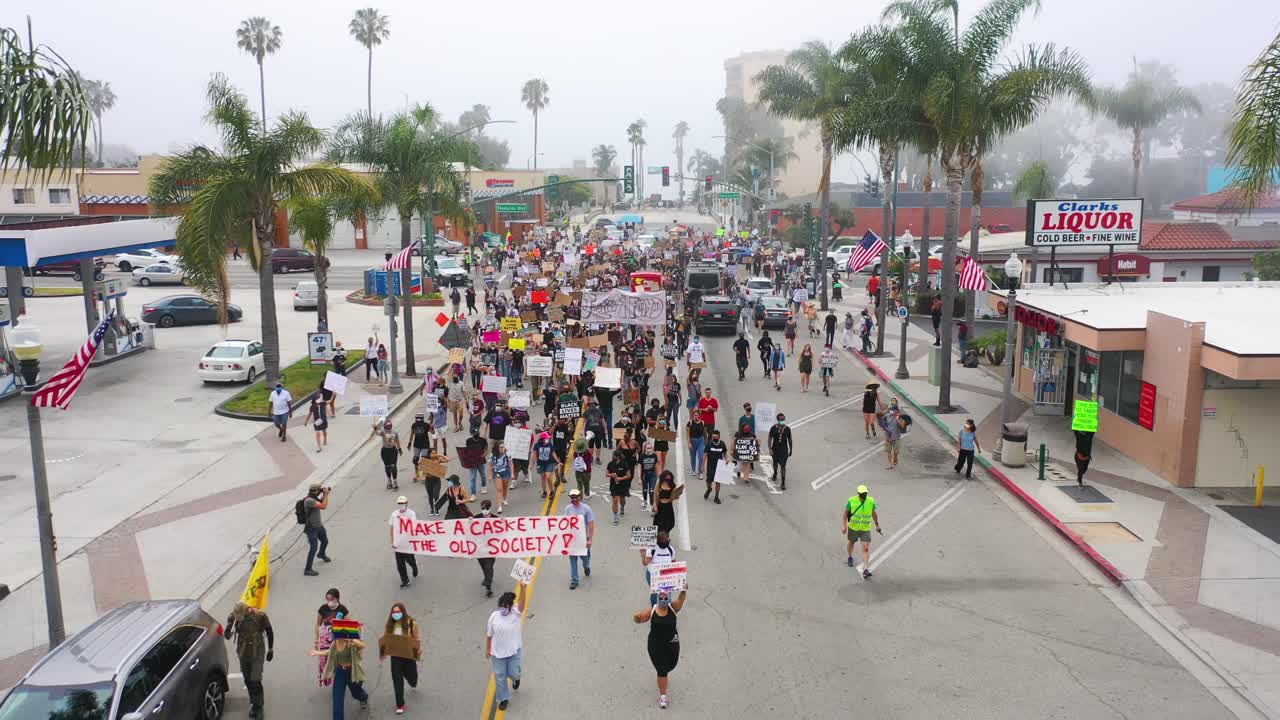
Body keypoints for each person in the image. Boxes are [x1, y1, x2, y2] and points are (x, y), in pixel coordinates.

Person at [633, 587, 687, 710]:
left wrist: (683, 590)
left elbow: (681, 599)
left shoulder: (673, 607)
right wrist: (636, 617)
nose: (663, 600)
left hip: (672, 644)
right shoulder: (652, 611)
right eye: (661, 598)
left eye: (665, 598)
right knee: (662, 669)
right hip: (656, 646)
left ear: (669, 598)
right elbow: (640, 619)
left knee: (671, 665)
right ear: (657, 598)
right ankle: (663, 695)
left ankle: (664, 676)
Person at [310, 615, 370, 717]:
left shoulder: (350, 643)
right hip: (340, 673)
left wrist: (353, 640)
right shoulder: (335, 643)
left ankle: (363, 698)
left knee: (356, 693)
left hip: (351, 672)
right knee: (337, 703)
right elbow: (330, 652)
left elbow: (363, 646)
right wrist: (317, 653)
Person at [224, 602, 273, 719]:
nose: (238, 618)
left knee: (255, 680)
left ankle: (258, 706)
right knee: (247, 679)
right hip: (243, 652)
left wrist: (270, 649)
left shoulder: (260, 616)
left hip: (257, 652)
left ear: (247, 610)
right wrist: (229, 627)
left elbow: (269, 631)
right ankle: (254, 702)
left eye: (239, 616)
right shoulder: (234, 617)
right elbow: (227, 635)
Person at [378, 603, 421, 715]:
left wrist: (418, 652)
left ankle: (412, 681)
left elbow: (416, 639)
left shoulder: (411, 623)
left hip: (408, 656)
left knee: (412, 677)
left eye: (398, 612)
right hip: (395, 657)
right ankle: (400, 704)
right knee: (397, 680)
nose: (396, 614)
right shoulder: (389, 625)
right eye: (394, 612)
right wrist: (383, 653)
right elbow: (385, 639)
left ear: (403, 612)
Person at [486, 590, 524, 712]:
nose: (503, 608)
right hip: (498, 653)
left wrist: (523, 589)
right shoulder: (494, 617)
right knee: (500, 676)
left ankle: (516, 679)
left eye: (506, 606)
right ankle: (503, 699)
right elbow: (489, 634)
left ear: (511, 606)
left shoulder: (516, 613)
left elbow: (522, 603)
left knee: (514, 673)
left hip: (513, 651)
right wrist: (488, 648)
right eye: (502, 605)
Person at [844, 484, 882, 579]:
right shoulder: (852, 501)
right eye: (862, 494)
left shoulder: (870, 501)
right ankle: (850, 556)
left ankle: (865, 569)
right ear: (858, 494)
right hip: (854, 527)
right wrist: (844, 526)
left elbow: (874, 514)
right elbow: (845, 514)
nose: (864, 495)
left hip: (865, 528)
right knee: (851, 542)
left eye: (865, 493)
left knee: (866, 548)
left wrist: (877, 525)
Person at [314, 589, 349, 688]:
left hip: (338, 640)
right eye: (327, 599)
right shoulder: (323, 608)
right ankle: (329, 680)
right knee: (325, 661)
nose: (329, 602)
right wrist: (316, 641)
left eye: (331, 599)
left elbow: (349, 625)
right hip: (325, 641)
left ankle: (340, 681)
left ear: (337, 598)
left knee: (338, 661)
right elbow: (317, 624)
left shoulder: (342, 609)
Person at [564, 488, 596, 589]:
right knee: (572, 559)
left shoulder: (586, 509)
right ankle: (574, 580)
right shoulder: (568, 509)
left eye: (575, 497)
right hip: (572, 539)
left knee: (585, 558)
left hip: (583, 538)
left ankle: (586, 566)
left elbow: (591, 525)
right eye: (571, 498)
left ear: (580, 497)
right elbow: (564, 523)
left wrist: (590, 539)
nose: (573, 499)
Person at [388, 496, 419, 588]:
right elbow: (391, 528)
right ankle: (405, 580)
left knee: (409, 560)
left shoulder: (411, 514)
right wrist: (392, 541)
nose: (401, 505)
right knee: (400, 564)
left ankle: (414, 566)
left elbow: (414, 527)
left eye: (403, 503)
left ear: (406, 503)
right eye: (400, 503)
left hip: (408, 543)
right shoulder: (394, 514)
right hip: (398, 544)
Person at [641, 530, 677, 606]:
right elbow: (645, 563)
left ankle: (666, 609)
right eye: (666, 540)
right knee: (655, 593)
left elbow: (674, 562)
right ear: (659, 541)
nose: (668, 541)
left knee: (667, 593)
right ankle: (654, 609)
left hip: (666, 576)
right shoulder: (652, 550)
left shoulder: (670, 549)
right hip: (653, 576)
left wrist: (679, 576)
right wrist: (643, 553)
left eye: (668, 540)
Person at [303, 484, 332, 577]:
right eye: (319, 490)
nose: (320, 491)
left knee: (325, 541)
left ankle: (321, 554)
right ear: (314, 491)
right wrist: (326, 494)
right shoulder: (309, 500)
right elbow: (323, 506)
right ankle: (307, 569)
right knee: (313, 548)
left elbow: (321, 503)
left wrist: (323, 494)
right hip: (311, 529)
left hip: (319, 526)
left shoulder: (314, 497)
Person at [474, 500, 497, 596]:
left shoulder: (495, 519)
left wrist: (503, 523)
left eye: (486, 508)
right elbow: (468, 525)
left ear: (490, 508)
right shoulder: (477, 517)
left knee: (489, 566)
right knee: (484, 566)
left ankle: (488, 586)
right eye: (483, 508)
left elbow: (502, 530)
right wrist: (470, 520)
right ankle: (487, 578)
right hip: (480, 548)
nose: (484, 510)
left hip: (491, 548)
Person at [372, 418, 404, 491]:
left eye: (390, 426)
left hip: (393, 451)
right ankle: (389, 481)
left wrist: (399, 449)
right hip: (385, 451)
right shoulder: (383, 432)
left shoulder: (395, 432)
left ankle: (395, 482)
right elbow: (377, 433)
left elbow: (397, 441)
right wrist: (375, 428)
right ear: (385, 426)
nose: (389, 428)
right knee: (387, 467)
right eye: (387, 426)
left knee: (393, 467)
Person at [607, 448, 633, 525]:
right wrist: (611, 475)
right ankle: (615, 516)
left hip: (623, 485)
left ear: (618, 456)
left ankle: (622, 507)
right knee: (615, 500)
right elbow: (607, 473)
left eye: (614, 455)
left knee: (622, 500)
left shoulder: (624, 464)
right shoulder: (610, 464)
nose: (612, 457)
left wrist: (620, 478)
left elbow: (629, 475)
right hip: (614, 485)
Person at [460, 430, 489, 497]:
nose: (476, 434)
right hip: (472, 461)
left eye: (477, 433)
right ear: (472, 434)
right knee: (473, 478)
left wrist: (485, 453)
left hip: (481, 460)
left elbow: (486, 449)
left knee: (483, 475)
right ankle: (473, 494)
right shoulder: (468, 441)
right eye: (475, 433)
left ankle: (483, 486)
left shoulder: (483, 440)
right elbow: (466, 450)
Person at [768, 413, 793, 491]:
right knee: (775, 463)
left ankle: (783, 482)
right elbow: (770, 438)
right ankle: (775, 473)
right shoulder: (773, 428)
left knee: (783, 466)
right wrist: (770, 449)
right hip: (775, 449)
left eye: (783, 419)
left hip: (784, 450)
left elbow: (790, 439)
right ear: (778, 420)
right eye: (781, 420)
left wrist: (791, 450)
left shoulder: (787, 429)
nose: (783, 421)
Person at [702, 429, 728, 504]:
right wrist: (702, 466)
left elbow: (725, 453)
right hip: (710, 466)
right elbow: (705, 455)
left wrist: (726, 459)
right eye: (713, 437)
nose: (714, 438)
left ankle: (716, 497)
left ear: (719, 436)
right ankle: (709, 489)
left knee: (718, 482)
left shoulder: (722, 444)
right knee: (708, 481)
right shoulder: (709, 444)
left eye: (716, 437)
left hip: (719, 466)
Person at [533, 431, 560, 499]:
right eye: (546, 438)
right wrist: (532, 463)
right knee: (543, 477)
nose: (548, 439)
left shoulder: (550, 444)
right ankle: (544, 491)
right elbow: (534, 454)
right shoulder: (537, 445)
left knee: (548, 477)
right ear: (542, 439)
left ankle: (551, 491)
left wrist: (558, 461)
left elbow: (553, 453)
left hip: (549, 463)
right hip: (540, 464)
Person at [652, 470, 677, 534]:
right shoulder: (659, 484)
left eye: (669, 479)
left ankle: (665, 536)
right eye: (666, 479)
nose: (667, 481)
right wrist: (654, 503)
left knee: (669, 524)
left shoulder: (673, 486)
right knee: (659, 524)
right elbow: (655, 493)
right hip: (660, 506)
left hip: (668, 506)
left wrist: (675, 496)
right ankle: (660, 537)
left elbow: (675, 496)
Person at [490, 444, 513, 513]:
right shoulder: (493, 455)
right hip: (497, 472)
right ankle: (499, 506)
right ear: (497, 448)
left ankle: (504, 498)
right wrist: (490, 475)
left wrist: (512, 473)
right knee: (499, 489)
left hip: (506, 472)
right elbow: (490, 466)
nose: (502, 448)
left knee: (505, 486)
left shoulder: (507, 454)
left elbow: (511, 464)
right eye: (501, 447)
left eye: (503, 447)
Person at [686, 414, 707, 480]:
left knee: (701, 456)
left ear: (699, 416)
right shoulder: (690, 423)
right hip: (692, 440)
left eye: (697, 415)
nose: (696, 416)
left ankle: (700, 472)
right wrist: (689, 443)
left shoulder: (702, 422)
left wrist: (706, 442)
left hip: (701, 441)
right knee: (693, 456)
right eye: (694, 415)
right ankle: (693, 469)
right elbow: (687, 434)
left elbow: (705, 433)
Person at [638, 440, 659, 506]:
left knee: (651, 491)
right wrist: (639, 478)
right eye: (648, 448)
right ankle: (645, 501)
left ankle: (652, 505)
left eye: (650, 448)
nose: (649, 449)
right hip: (644, 475)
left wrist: (658, 476)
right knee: (645, 490)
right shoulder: (641, 456)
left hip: (652, 475)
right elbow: (639, 467)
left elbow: (656, 465)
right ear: (644, 449)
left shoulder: (654, 455)